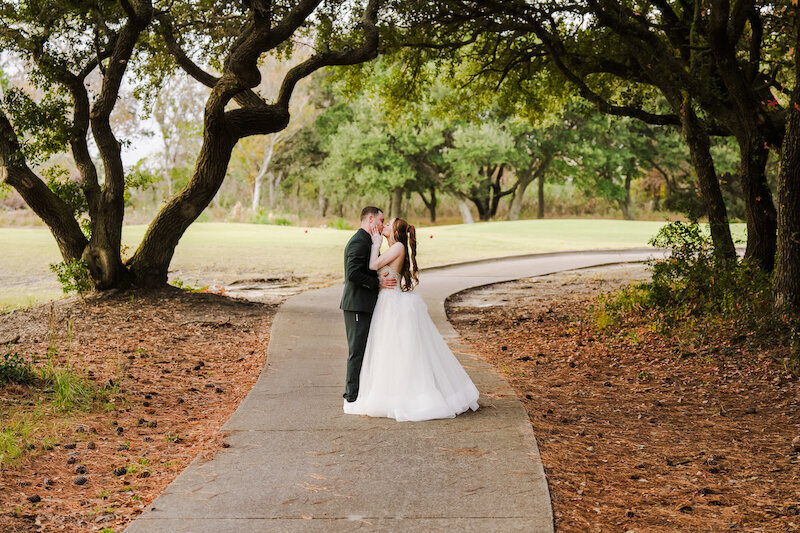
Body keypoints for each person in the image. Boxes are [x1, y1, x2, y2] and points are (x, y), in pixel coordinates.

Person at [343, 217, 480, 422]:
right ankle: (391, 393)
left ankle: (407, 397)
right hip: (387, 301)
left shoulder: (397, 246)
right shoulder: (395, 248)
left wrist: (375, 245)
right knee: (389, 350)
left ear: (396, 231)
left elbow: (373, 265)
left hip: (391, 303)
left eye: (388, 224)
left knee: (396, 350)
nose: (385, 226)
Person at [341, 206, 396, 403]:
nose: (383, 224)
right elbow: (353, 274)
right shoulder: (359, 242)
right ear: (371, 219)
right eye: (381, 221)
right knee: (357, 351)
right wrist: (378, 282)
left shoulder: (369, 241)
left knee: (365, 349)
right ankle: (351, 396)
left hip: (365, 304)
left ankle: (361, 393)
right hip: (357, 304)